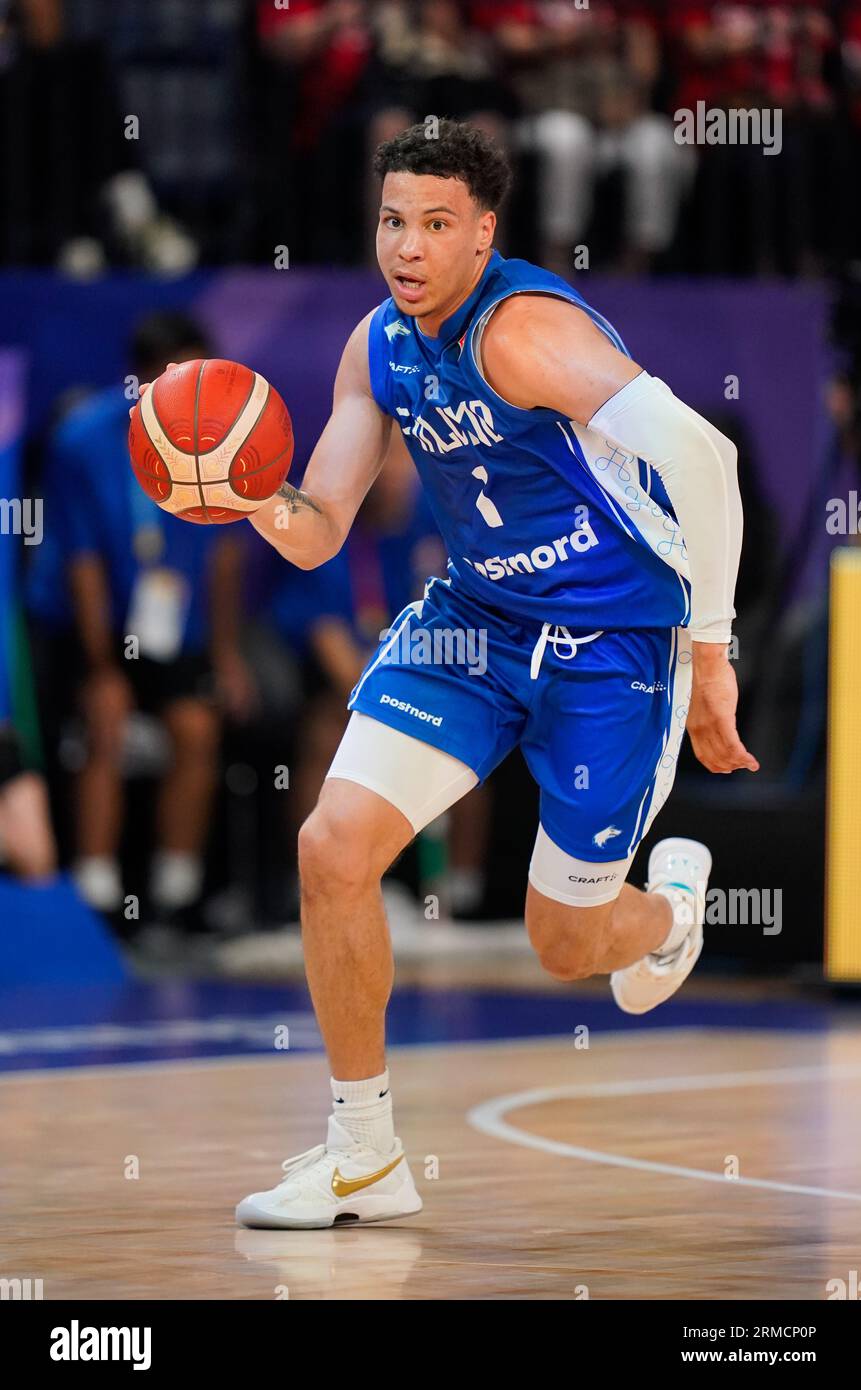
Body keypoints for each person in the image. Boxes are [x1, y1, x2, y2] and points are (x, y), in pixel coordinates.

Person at [140, 120, 757, 1228]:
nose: (406, 248)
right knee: (331, 848)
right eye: (390, 222)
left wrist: (709, 655)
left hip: (611, 642)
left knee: (563, 942)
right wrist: (241, 494)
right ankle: (363, 1152)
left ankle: (663, 915)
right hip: (471, 622)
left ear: (483, 236)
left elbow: (703, 458)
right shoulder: (377, 345)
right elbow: (320, 525)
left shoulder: (520, 337)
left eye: (434, 225)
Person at [67, 311, 253, 920]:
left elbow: (224, 557)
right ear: (145, 377)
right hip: (100, 630)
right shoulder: (86, 441)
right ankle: (95, 896)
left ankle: (176, 897)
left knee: (198, 729)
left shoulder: (222, 435)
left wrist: (226, 656)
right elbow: (83, 566)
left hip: (182, 631)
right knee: (108, 715)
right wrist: (102, 667)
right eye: (184, 374)